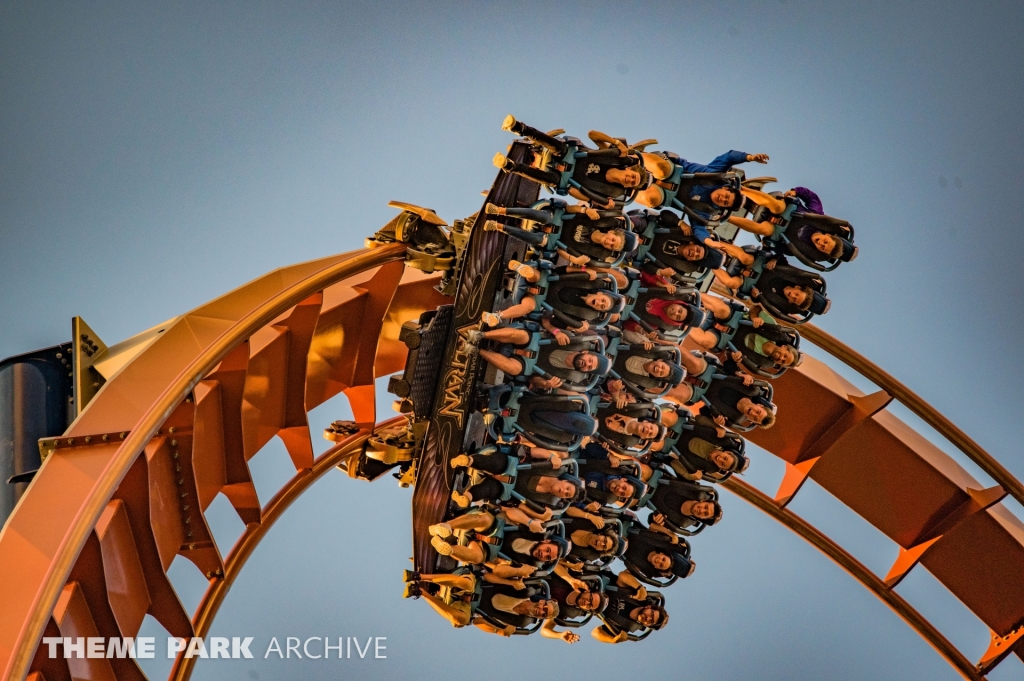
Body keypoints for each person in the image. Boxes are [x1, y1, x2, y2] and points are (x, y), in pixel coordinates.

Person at [496, 116, 651, 207]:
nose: (630, 180)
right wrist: (616, 143)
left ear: (627, 187)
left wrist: (572, 191)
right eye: (633, 177)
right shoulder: (616, 159)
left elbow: (588, 197)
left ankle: (510, 166)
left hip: (567, 179)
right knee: (560, 147)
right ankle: (519, 128)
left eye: (632, 183)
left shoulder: (613, 192)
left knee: (553, 181)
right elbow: (592, 134)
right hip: (571, 156)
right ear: (629, 169)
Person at [483, 200, 638, 267]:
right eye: (613, 240)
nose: (609, 242)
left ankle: (498, 226)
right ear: (612, 232)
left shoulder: (595, 253)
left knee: (539, 240)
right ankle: (500, 210)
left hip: (554, 241)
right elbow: (569, 209)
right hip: (559, 219)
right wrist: (585, 210)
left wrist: (574, 259)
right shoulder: (600, 220)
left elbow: (561, 251)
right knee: (545, 217)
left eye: (612, 246)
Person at [482, 262, 624, 332]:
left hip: (541, 301)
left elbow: (555, 321)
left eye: (601, 307)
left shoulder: (584, 316)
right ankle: (521, 268)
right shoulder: (593, 281)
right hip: (547, 281)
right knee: (534, 276)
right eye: (603, 300)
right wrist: (584, 270)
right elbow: (565, 270)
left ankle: (497, 316)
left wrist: (575, 327)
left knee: (529, 306)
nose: (598, 303)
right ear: (601, 293)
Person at [636, 149, 769, 222]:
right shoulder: (717, 175)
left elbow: (699, 229)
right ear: (726, 188)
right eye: (726, 196)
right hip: (671, 170)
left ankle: (628, 191)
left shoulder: (707, 211)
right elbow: (729, 157)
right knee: (662, 169)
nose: (722, 199)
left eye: (725, 203)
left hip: (662, 193)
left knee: (652, 199)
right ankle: (633, 155)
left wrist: (708, 241)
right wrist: (750, 157)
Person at [463, 326, 610, 392]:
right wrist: (557, 332)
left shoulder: (568, 378)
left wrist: (546, 383)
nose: (586, 364)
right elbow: (546, 320)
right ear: (586, 352)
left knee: (514, 369)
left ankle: (477, 350)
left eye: (589, 367)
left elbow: (533, 380)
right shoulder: (575, 340)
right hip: (535, 342)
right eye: (590, 360)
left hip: (528, 365)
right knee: (522, 336)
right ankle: (480, 335)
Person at [448, 446, 583, 510]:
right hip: (511, 464)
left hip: (507, 489)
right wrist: (551, 456)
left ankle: (466, 498)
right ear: (566, 481)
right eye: (567, 488)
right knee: (495, 463)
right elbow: (533, 451)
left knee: (489, 490)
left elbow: (523, 507)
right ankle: (467, 460)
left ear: (563, 498)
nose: (563, 491)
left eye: (566, 494)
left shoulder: (549, 502)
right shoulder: (557, 468)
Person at [592, 570, 669, 643]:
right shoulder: (639, 596)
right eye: (651, 614)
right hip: (597, 579)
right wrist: (639, 587)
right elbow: (622, 576)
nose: (648, 618)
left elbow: (596, 632)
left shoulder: (624, 627)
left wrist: (613, 640)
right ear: (649, 607)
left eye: (651, 621)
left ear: (647, 625)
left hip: (588, 601)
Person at [647, 476, 723, 532]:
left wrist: (656, 520)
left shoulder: (682, 522)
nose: (702, 510)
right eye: (705, 507)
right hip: (655, 477)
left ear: (703, 518)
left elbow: (651, 519)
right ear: (703, 500)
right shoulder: (695, 489)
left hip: (645, 498)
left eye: (705, 514)